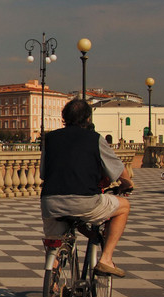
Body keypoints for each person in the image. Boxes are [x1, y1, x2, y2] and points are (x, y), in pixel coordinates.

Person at [40, 99, 134, 277]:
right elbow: (118, 169)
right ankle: (106, 259)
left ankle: (54, 285)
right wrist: (128, 184)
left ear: (64, 117)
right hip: (85, 202)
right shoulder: (94, 139)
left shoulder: (50, 139)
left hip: (50, 203)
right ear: (88, 119)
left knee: (55, 243)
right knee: (124, 207)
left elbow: (43, 173)